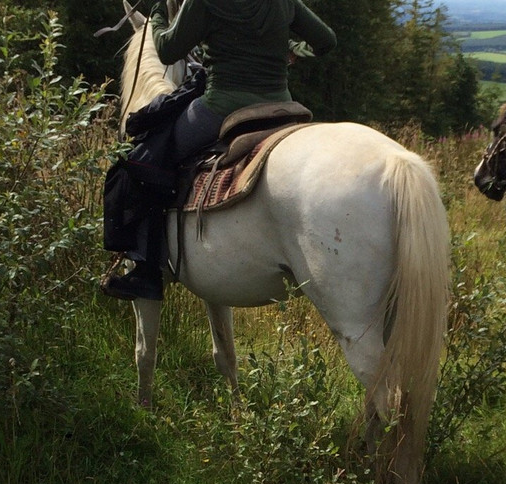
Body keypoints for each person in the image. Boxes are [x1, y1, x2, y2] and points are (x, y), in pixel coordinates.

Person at [101, 0, 337, 301]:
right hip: (281, 105)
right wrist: (292, 49)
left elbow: (167, 50)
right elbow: (326, 41)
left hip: (221, 107)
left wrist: (159, 12)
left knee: (143, 159)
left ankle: (146, 272)